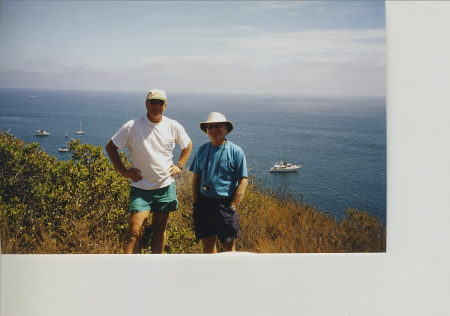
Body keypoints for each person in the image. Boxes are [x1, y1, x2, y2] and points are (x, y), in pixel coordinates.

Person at [105, 89, 192, 254]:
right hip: (141, 188)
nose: (156, 106)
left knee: (160, 229)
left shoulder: (173, 126)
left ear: (165, 106)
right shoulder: (132, 126)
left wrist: (180, 165)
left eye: (160, 103)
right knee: (134, 232)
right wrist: (123, 171)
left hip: (165, 187)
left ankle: (155, 268)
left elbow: (187, 144)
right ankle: (131, 271)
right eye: (153, 102)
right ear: (146, 104)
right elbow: (111, 147)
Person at [189, 112, 248, 253]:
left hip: (225, 204)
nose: (213, 129)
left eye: (218, 126)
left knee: (227, 245)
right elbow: (196, 177)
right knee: (207, 243)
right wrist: (196, 203)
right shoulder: (202, 150)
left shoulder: (236, 151)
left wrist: (233, 206)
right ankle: (210, 273)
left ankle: (229, 274)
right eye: (210, 126)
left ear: (226, 128)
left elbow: (243, 180)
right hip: (204, 203)